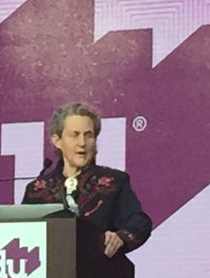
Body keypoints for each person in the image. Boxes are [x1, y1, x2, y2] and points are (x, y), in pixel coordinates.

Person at [21, 102, 152, 257]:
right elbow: (22, 234)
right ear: (57, 141)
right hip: (47, 273)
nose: (82, 143)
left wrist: (120, 237)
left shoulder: (114, 182)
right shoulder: (37, 188)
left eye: (88, 135)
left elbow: (139, 221)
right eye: (74, 135)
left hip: (99, 271)